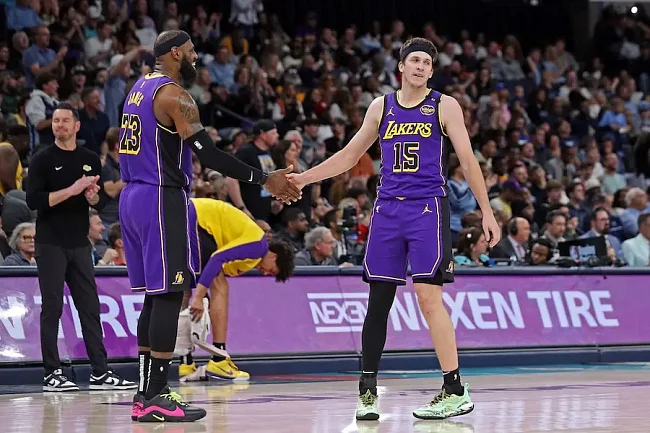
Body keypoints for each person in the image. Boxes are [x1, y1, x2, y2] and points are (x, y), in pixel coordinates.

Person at [287, 38, 500, 420]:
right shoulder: (381, 106)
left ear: (431, 71)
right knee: (378, 301)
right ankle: (367, 390)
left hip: (427, 208)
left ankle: (454, 389)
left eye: (426, 62)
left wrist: (487, 211)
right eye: (414, 60)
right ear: (401, 66)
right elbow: (349, 156)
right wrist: (303, 178)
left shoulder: (444, 105)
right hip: (387, 210)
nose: (420, 66)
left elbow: (468, 161)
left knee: (428, 297)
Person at [120, 30, 300, 423]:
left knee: (154, 297)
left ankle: (144, 394)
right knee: (170, 295)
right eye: (190, 52)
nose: (196, 58)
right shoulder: (175, 95)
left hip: (132, 196)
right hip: (161, 197)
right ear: (174, 53)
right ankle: (157, 394)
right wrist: (265, 179)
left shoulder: (138, 88)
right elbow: (211, 155)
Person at [26, 102, 136, 392]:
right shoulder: (41, 158)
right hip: (50, 242)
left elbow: (101, 202)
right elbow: (34, 201)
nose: (59, 125)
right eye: (55, 121)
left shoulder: (89, 159)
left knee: (89, 308)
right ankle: (52, 373)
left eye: (65, 121)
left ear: (76, 126)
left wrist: (91, 197)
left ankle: (100, 372)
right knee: (52, 308)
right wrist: (72, 190)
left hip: (79, 243)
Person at [174, 198, 295, 381]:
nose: (265, 273)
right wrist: (199, 297)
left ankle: (185, 363)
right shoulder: (258, 246)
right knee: (219, 285)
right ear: (273, 256)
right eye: (271, 270)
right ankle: (219, 359)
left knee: (185, 287)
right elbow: (216, 259)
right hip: (195, 218)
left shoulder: (250, 252)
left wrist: (200, 294)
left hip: (182, 214)